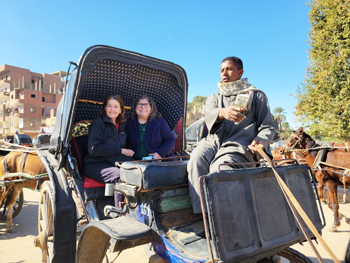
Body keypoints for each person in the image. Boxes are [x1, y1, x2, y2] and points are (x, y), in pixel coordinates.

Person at [187, 56, 276, 213]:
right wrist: (222, 112)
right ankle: (202, 213)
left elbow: (267, 126)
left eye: (229, 69)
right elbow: (209, 114)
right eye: (222, 70)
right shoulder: (214, 98)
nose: (224, 73)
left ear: (240, 72)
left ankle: (222, 216)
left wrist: (261, 140)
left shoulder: (256, 95)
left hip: (239, 144)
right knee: (196, 159)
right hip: (213, 142)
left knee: (219, 168)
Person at [84, 94, 134, 211]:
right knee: (121, 176)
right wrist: (121, 151)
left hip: (111, 161)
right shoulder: (98, 123)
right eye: (109, 106)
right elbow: (94, 149)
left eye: (116, 107)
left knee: (138, 170)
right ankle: (119, 212)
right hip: (94, 163)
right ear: (105, 108)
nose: (112, 109)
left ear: (121, 110)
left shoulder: (121, 126)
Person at [125, 94, 175, 161]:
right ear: (135, 107)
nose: (143, 107)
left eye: (146, 105)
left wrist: (160, 154)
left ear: (151, 108)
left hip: (158, 160)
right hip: (135, 161)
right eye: (140, 104)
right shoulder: (128, 122)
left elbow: (170, 140)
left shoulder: (159, 121)